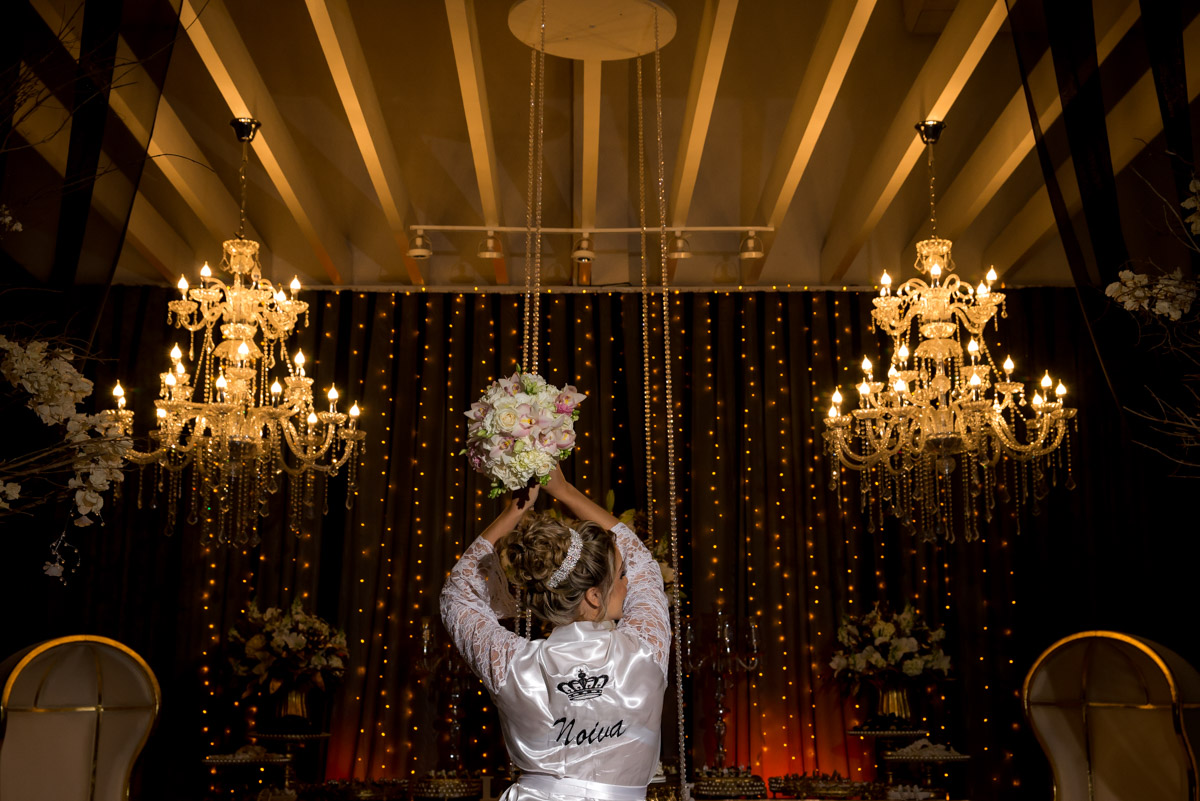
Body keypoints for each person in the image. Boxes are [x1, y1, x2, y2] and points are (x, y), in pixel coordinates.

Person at [440, 465, 670, 801]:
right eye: (621, 575)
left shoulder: (514, 665)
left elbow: (458, 593)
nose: (628, 582)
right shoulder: (646, 649)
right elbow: (642, 560)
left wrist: (516, 509)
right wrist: (563, 490)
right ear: (594, 596)